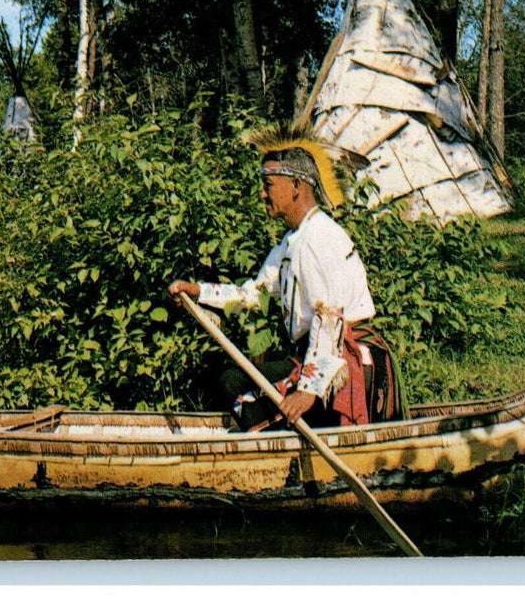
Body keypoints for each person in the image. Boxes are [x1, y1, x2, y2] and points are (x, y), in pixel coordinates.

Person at [168, 124, 404, 431]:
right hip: (318, 355)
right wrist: (197, 292)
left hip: (342, 363)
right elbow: (253, 294)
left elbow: (329, 319)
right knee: (233, 380)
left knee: (236, 384)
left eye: (269, 185)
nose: (262, 193)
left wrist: (308, 390)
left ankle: (285, 463)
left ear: (296, 186)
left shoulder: (318, 240)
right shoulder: (292, 242)